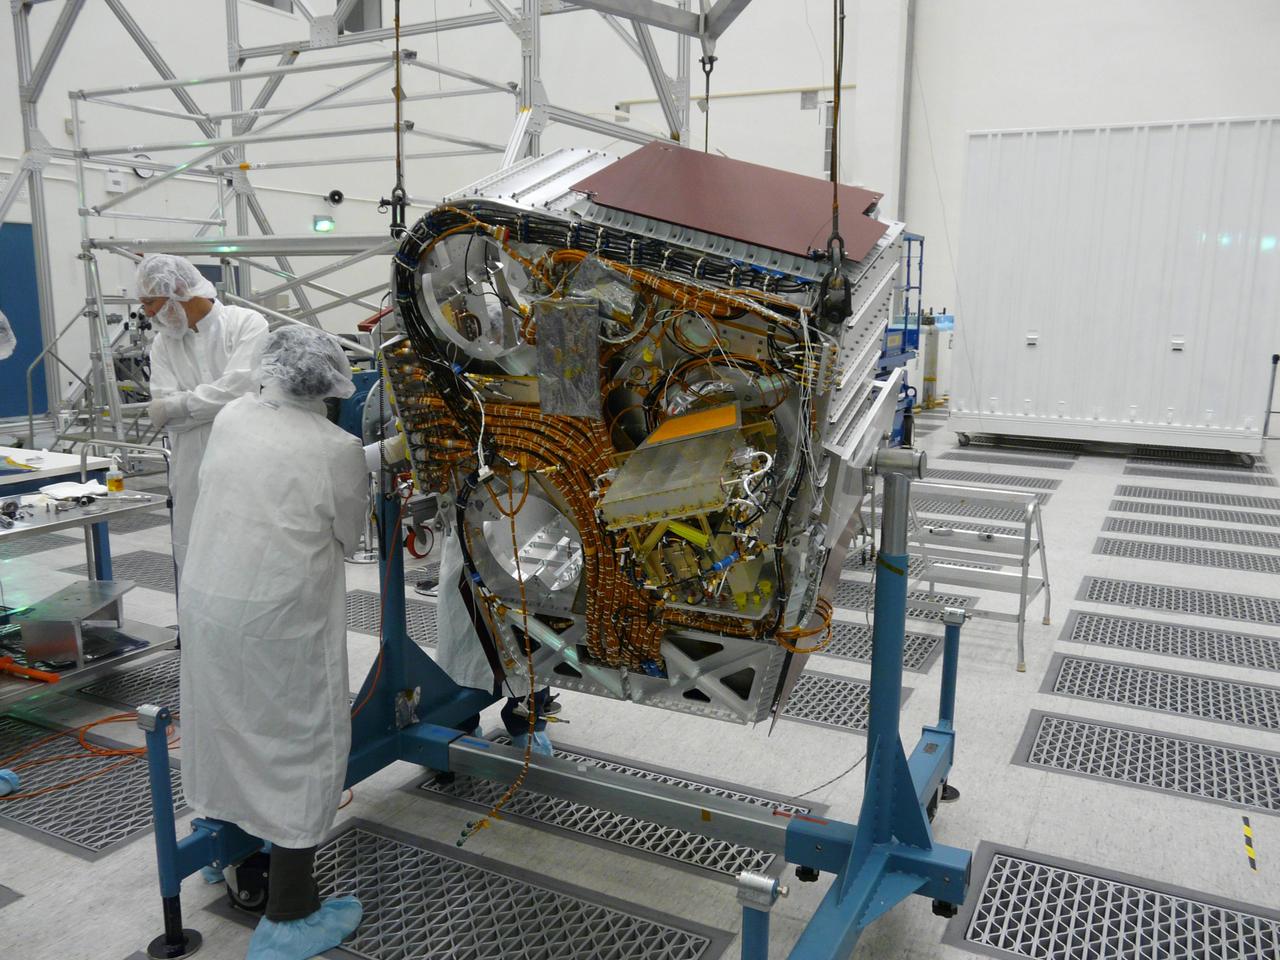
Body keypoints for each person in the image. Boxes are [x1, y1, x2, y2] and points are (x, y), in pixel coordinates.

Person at [178, 325, 368, 959]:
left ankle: (222, 847)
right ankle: (290, 914)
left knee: (228, 727)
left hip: (209, 603)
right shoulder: (336, 447)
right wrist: (374, 460)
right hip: (281, 621)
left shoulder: (232, 415)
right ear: (334, 384)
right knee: (299, 748)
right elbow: (350, 533)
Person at [137, 254, 268, 579]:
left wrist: (178, 406)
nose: (148, 313)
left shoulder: (247, 324)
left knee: (250, 565)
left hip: (248, 467)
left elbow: (240, 390)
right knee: (198, 567)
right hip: (191, 472)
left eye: (151, 302)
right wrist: (189, 408)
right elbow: (165, 412)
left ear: (180, 289)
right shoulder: (163, 344)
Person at [435, 528, 558, 756]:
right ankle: (461, 727)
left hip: (526, 531)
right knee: (465, 647)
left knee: (528, 642)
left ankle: (527, 726)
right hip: (467, 534)